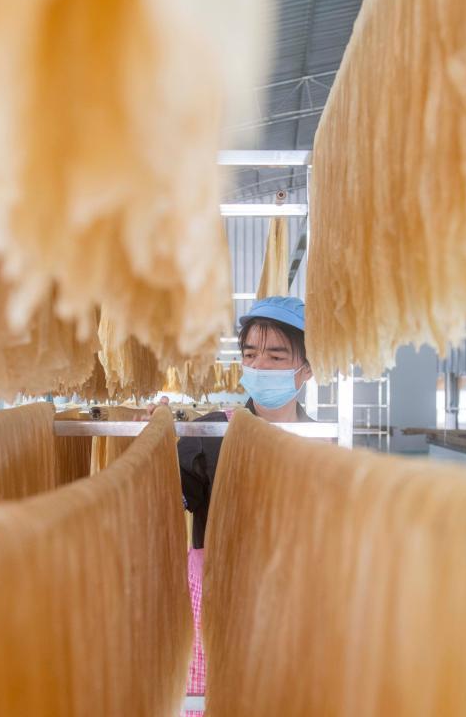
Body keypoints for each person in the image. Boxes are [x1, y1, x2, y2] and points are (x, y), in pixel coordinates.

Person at [177, 296, 313, 710]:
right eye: (251, 354)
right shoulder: (209, 435)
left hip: (297, 609)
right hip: (219, 607)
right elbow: (168, 499)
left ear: (307, 368)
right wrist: (153, 449)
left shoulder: (323, 444)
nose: (260, 365)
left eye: (276, 356)